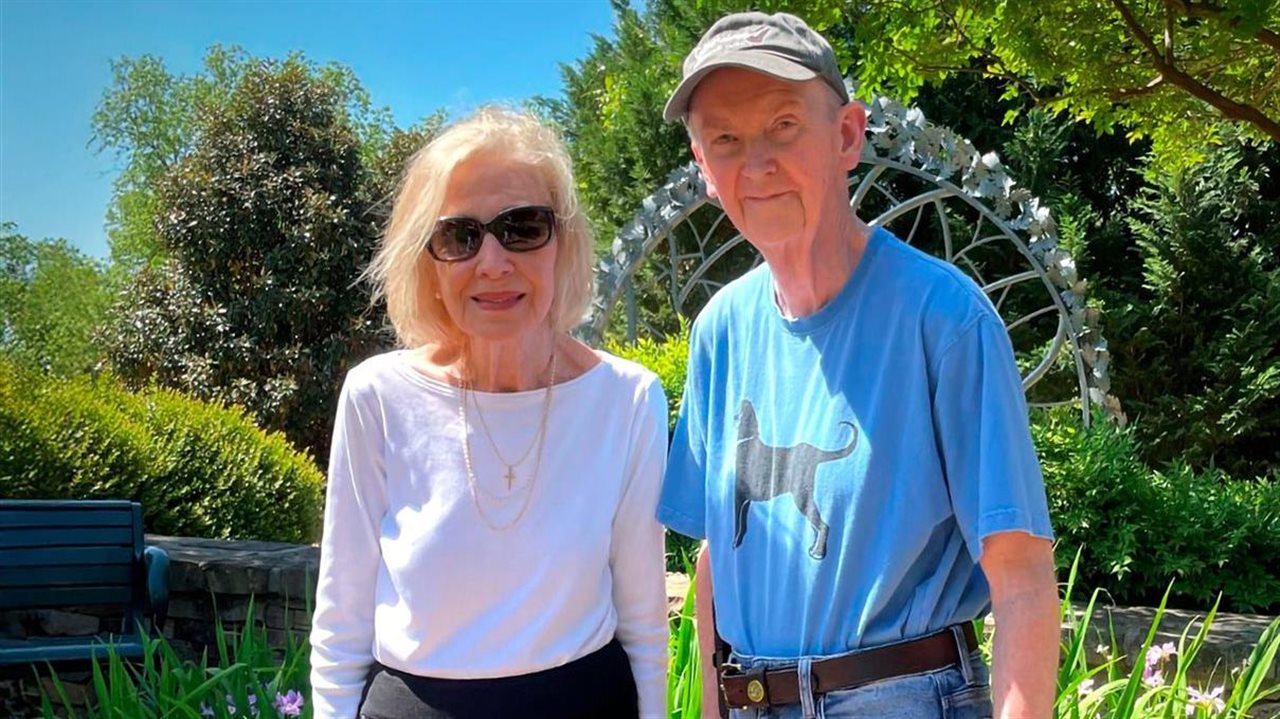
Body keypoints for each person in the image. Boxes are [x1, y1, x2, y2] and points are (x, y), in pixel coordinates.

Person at [656, 12, 1060, 719]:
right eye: (725, 139)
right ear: (704, 170)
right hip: (752, 697)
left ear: (847, 135)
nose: (756, 164)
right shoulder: (720, 330)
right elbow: (722, 552)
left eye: (784, 125)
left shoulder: (944, 318)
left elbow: (1022, 577)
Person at [309, 107, 670, 719]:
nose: (494, 262)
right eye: (460, 236)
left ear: (563, 243)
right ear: (428, 261)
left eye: (522, 227)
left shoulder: (627, 400)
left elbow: (644, 624)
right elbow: (341, 627)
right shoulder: (377, 397)